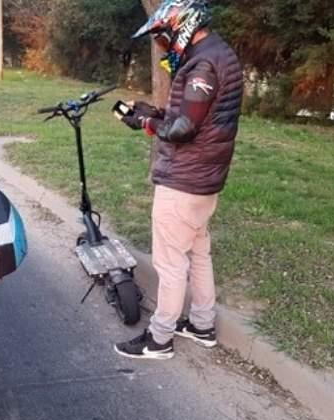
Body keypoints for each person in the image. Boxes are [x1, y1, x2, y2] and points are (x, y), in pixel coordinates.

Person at [114, 0, 244, 360]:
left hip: (184, 180)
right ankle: (202, 325)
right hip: (205, 177)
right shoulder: (219, 53)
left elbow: (185, 129)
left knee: (171, 263)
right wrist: (156, 113)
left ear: (181, 28)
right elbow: (196, 115)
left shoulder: (202, 64)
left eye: (162, 38)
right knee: (199, 252)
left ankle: (159, 339)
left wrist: (145, 124)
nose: (162, 46)